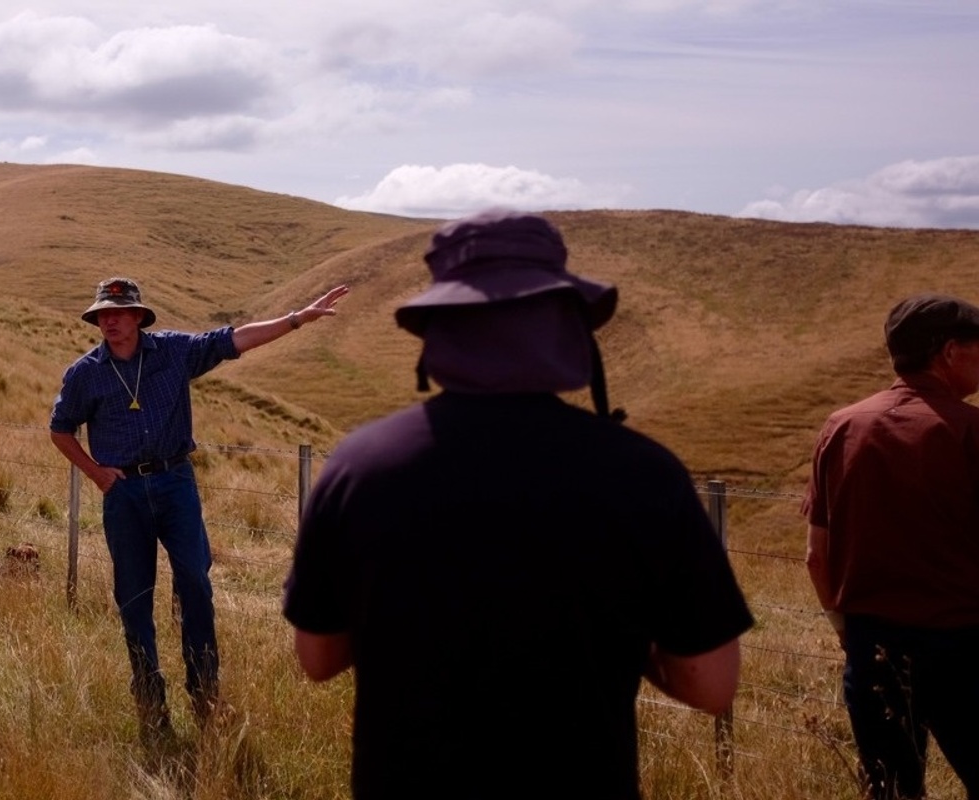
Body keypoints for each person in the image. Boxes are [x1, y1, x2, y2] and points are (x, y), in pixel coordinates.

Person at [282, 210, 752, 799]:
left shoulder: (359, 467)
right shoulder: (643, 473)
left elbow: (319, 658)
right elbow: (710, 686)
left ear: (437, 331)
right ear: (565, 324)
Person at [49, 276, 349, 737]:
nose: (109, 321)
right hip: (124, 494)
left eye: (119, 312)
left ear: (138, 317)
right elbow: (60, 429)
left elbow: (235, 339)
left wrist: (295, 320)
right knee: (133, 598)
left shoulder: (173, 352)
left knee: (195, 585)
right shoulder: (85, 373)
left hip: (175, 484)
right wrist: (96, 473)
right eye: (102, 314)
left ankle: (205, 693)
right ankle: (151, 701)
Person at [804, 293, 979, 800]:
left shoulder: (842, 427)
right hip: (965, 647)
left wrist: (846, 630)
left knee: (893, 790)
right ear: (949, 352)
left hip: (873, 647)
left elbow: (817, 555)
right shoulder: (970, 432)